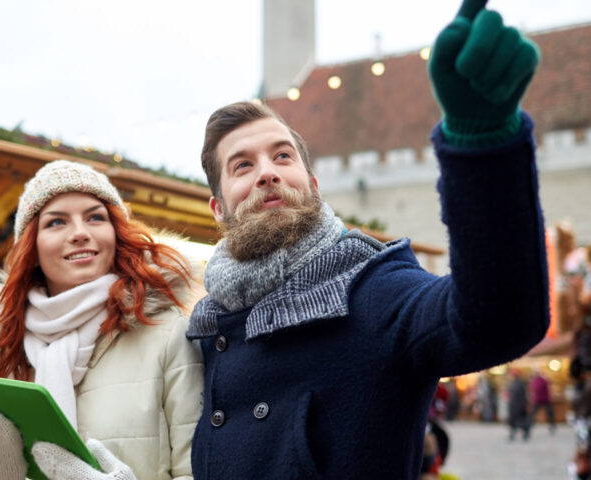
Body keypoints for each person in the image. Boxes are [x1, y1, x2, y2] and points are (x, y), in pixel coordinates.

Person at [187, 0, 548, 477]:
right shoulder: (209, 324)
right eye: (243, 165)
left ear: (312, 186)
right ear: (219, 208)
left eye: (282, 157)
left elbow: (497, 321)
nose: (268, 174)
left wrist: (483, 144)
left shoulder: (372, 289)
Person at [0, 160, 203, 480]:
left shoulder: (167, 332)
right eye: (56, 222)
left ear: (116, 233)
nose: (80, 233)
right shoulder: (3, 356)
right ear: (31, 248)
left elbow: (198, 469)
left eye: (95, 217)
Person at [507, 369, 531, 441]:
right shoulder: (513, 383)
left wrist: (523, 405)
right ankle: (513, 434)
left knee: (521, 421)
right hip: (513, 405)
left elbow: (522, 395)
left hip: (519, 405)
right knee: (514, 421)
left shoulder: (520, 383)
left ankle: (525, 433)